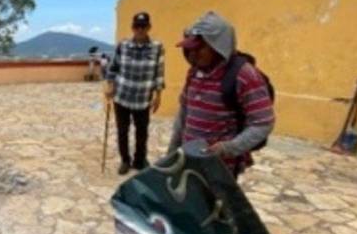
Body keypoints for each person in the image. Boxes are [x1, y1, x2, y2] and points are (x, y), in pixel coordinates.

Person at [168, 11, 275, 177]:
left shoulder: (244, 75)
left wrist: (228, 148)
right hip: (191, 160)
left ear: (219, 46)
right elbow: (184, 112)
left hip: (221, 167)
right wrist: (172, 152)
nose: (193, 54)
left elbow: (263, 123)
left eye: (199, 48)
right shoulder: (194, 72)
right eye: (190, 49)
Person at [105, 12, 165, 175]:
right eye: (137, 26)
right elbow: (113, 67)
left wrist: (158, 95)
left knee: (142, 131)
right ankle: (125, 160)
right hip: (122, 95)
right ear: (132, 28)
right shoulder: (123, 45)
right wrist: (110, 86)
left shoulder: (157, 47)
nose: (140, 30)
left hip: (143, 98)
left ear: (149, 27)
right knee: (122, 130)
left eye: (143, 26)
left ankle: (140, 160)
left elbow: (159, 72)